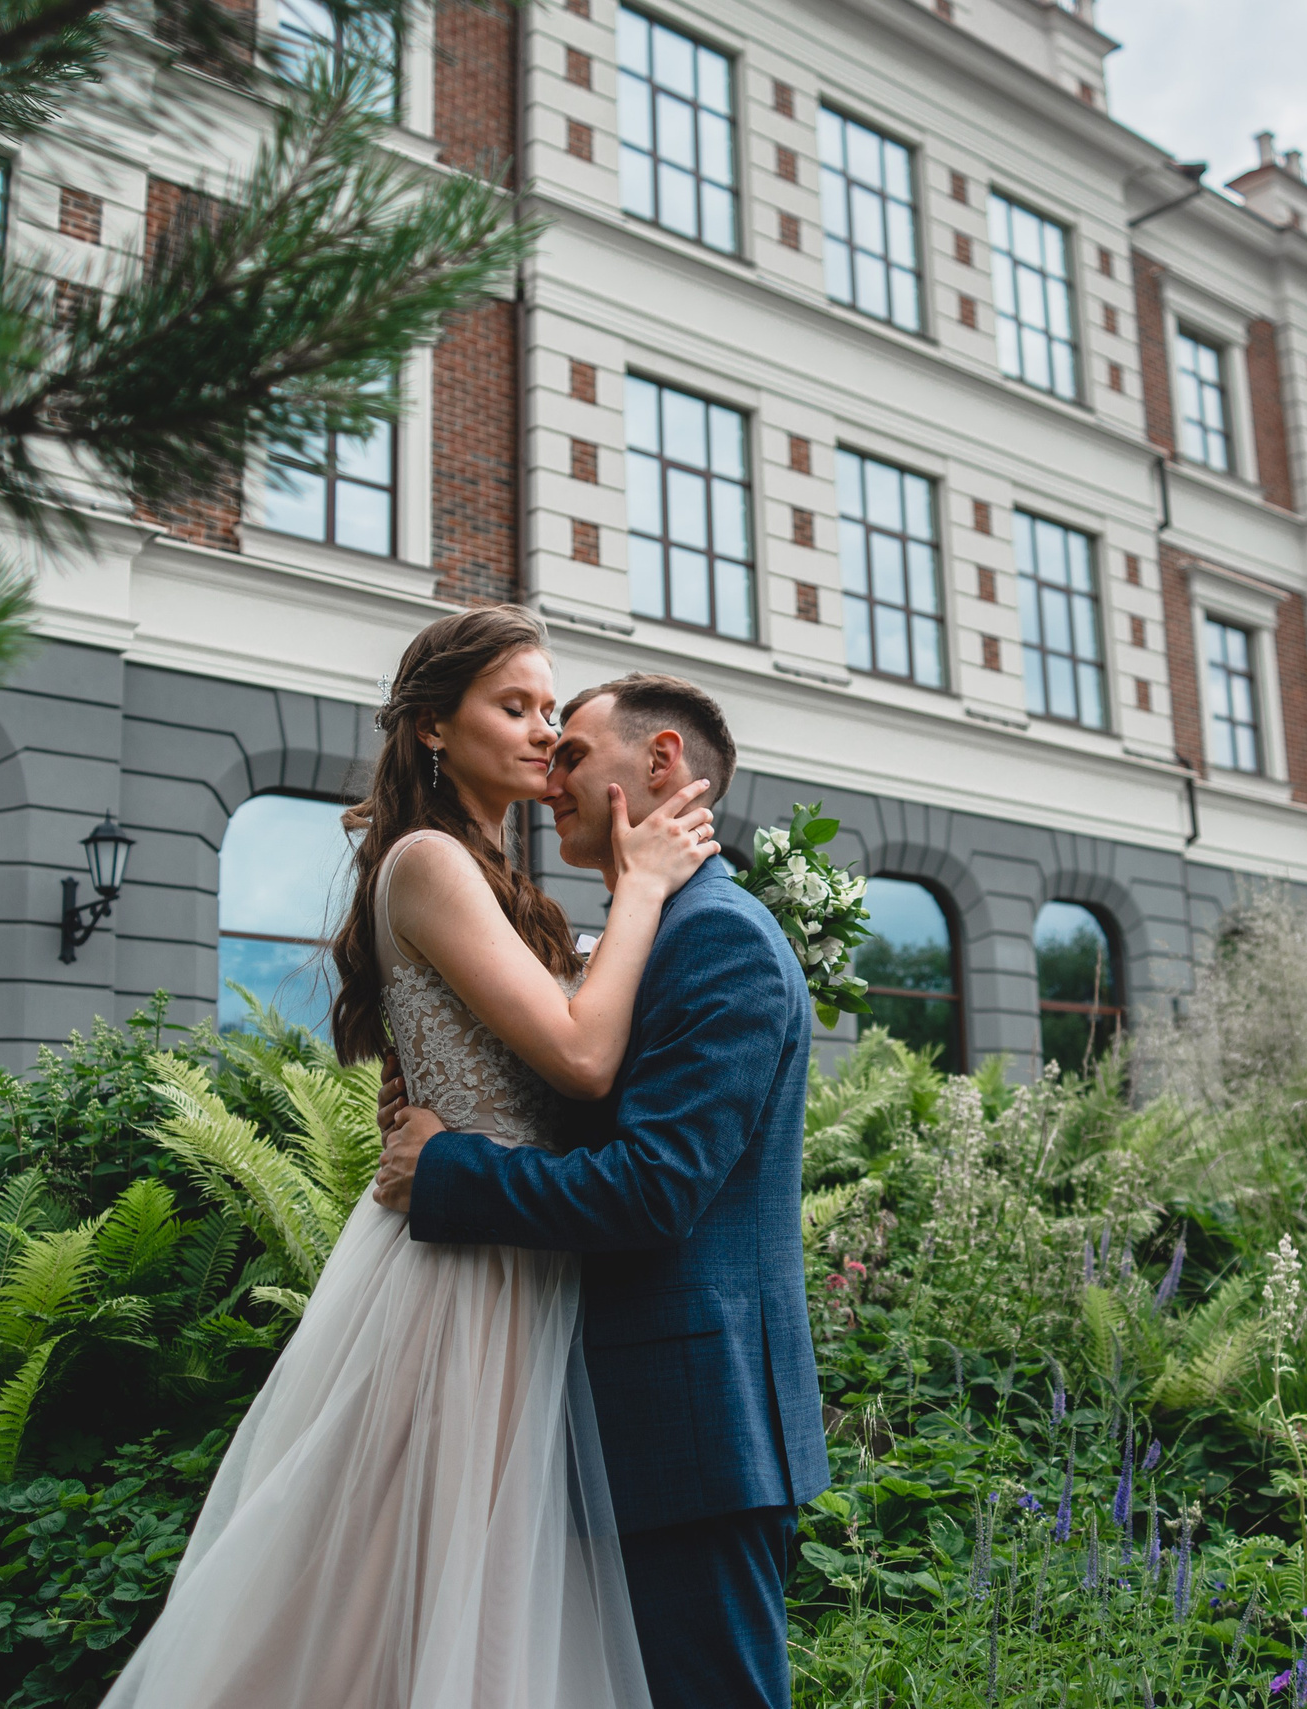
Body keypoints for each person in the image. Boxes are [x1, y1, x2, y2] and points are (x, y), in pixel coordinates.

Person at [98, 605, 719, 1709]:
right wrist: (645, 888)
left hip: (516, 1248)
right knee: (412, 1582)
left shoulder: (495, 872)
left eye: (549, 708)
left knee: (470, 1588)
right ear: (435, 727)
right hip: (462, 1275)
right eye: (515, 706)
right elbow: (581, 1056)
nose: (544, 734)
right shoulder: (431, 860)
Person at [373, 671, 831, 1709]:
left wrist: (447, 1166)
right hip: (626, 1416)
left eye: (571, 751)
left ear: (660, 760)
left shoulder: (716, 938)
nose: (549, 776)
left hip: (692, 1431)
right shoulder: (656, 931)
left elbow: (652, 1190)